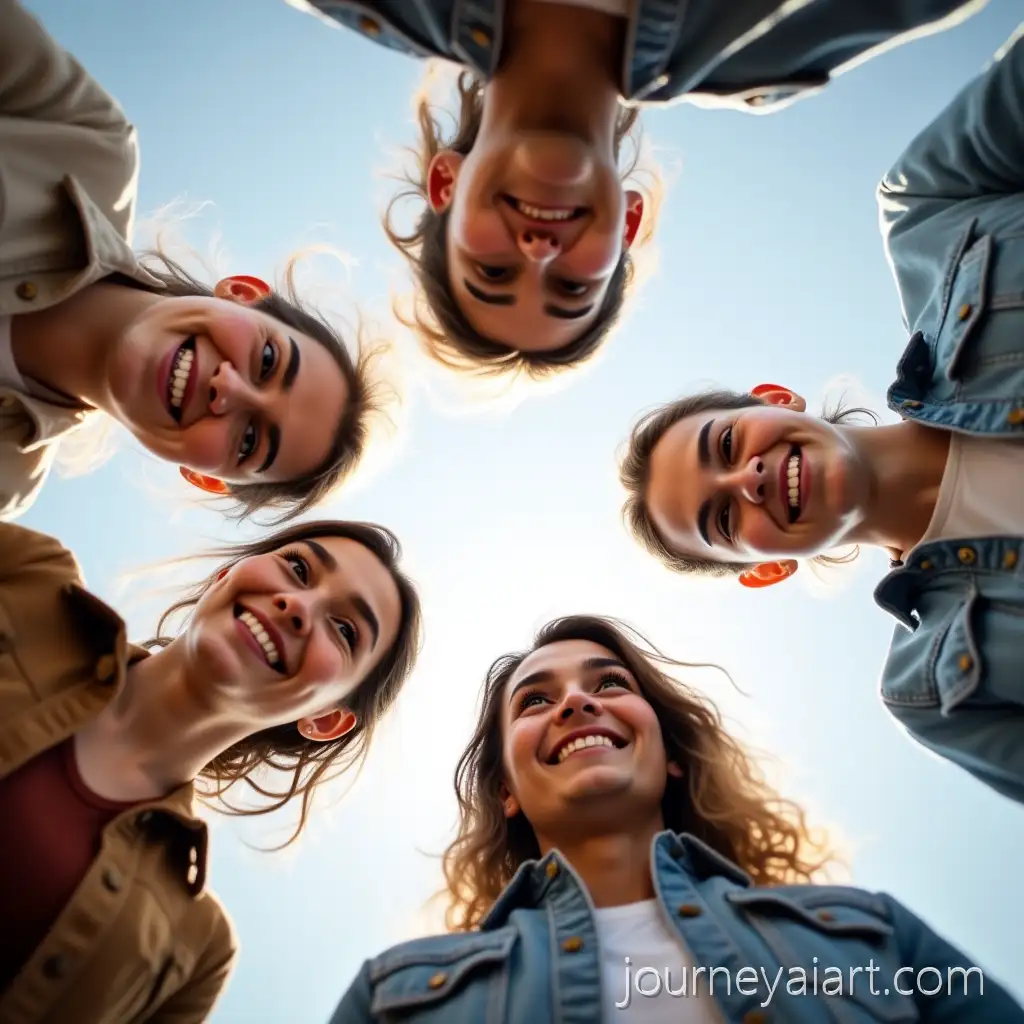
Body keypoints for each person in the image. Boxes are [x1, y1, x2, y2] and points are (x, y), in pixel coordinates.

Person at [617, 22, 1024, 808]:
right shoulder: (936, 696)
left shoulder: (934, 213)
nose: (749, 477)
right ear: (765, 568)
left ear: (774, 399)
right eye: (721, 519)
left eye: (726, 444)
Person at [327, 615, 1021, 1021]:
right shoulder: (395, 993)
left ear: (673, 757)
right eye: (535, 701)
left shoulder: (873, 933)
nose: (575, 703)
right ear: (506, 791)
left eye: (609, 685)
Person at [286, 0, 986, 380]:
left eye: (492, 271)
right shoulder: (771, 55)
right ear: (628, 222)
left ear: (445, 182)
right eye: (571, 289)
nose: (537, 251)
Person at [0, 516, 421, 1022]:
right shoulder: (28, 576)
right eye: (297, 568)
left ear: (325, 719)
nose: (298, 605)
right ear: (230, 574)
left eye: (346, 630)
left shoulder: (198, 953)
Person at [1, 0, 382, 525]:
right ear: (243, 293)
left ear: (205, 477)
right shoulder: (84, 142)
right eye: (268, 360)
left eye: (250, 440)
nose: (228, 389)